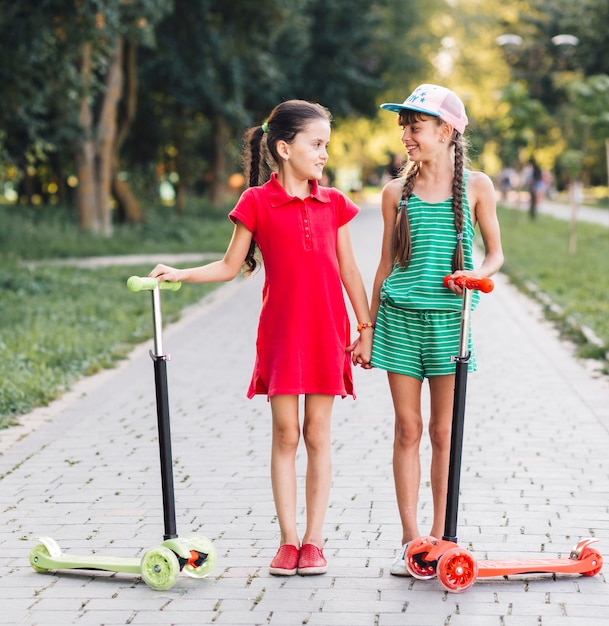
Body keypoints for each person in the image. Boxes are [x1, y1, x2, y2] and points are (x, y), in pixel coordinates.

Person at [149, 100, 374, 577]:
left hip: (326, 331)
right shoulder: (255, 202)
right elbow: (230, 266)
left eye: (326, 146)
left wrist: (365, 327)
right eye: (317, 145)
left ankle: (314, 541)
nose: (324, 155)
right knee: (285, 434)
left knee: (317, 434)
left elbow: (350, 270)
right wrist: (180, 274)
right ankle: (287, 540)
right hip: (282, 333)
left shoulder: (334, 203)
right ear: (284, 148)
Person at [370, 84, 504, 575]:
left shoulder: (477, 187)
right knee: (407, 429)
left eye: (415, 126)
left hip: (451, 323)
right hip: (399, 323)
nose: (406, 134)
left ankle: (444, 534)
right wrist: (367, 328)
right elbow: (384, 267)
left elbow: (496, 252)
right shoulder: (393, 193)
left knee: (444, 431)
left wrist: (480, 275)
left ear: (447, 131)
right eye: (403, 126)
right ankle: (412, 542)